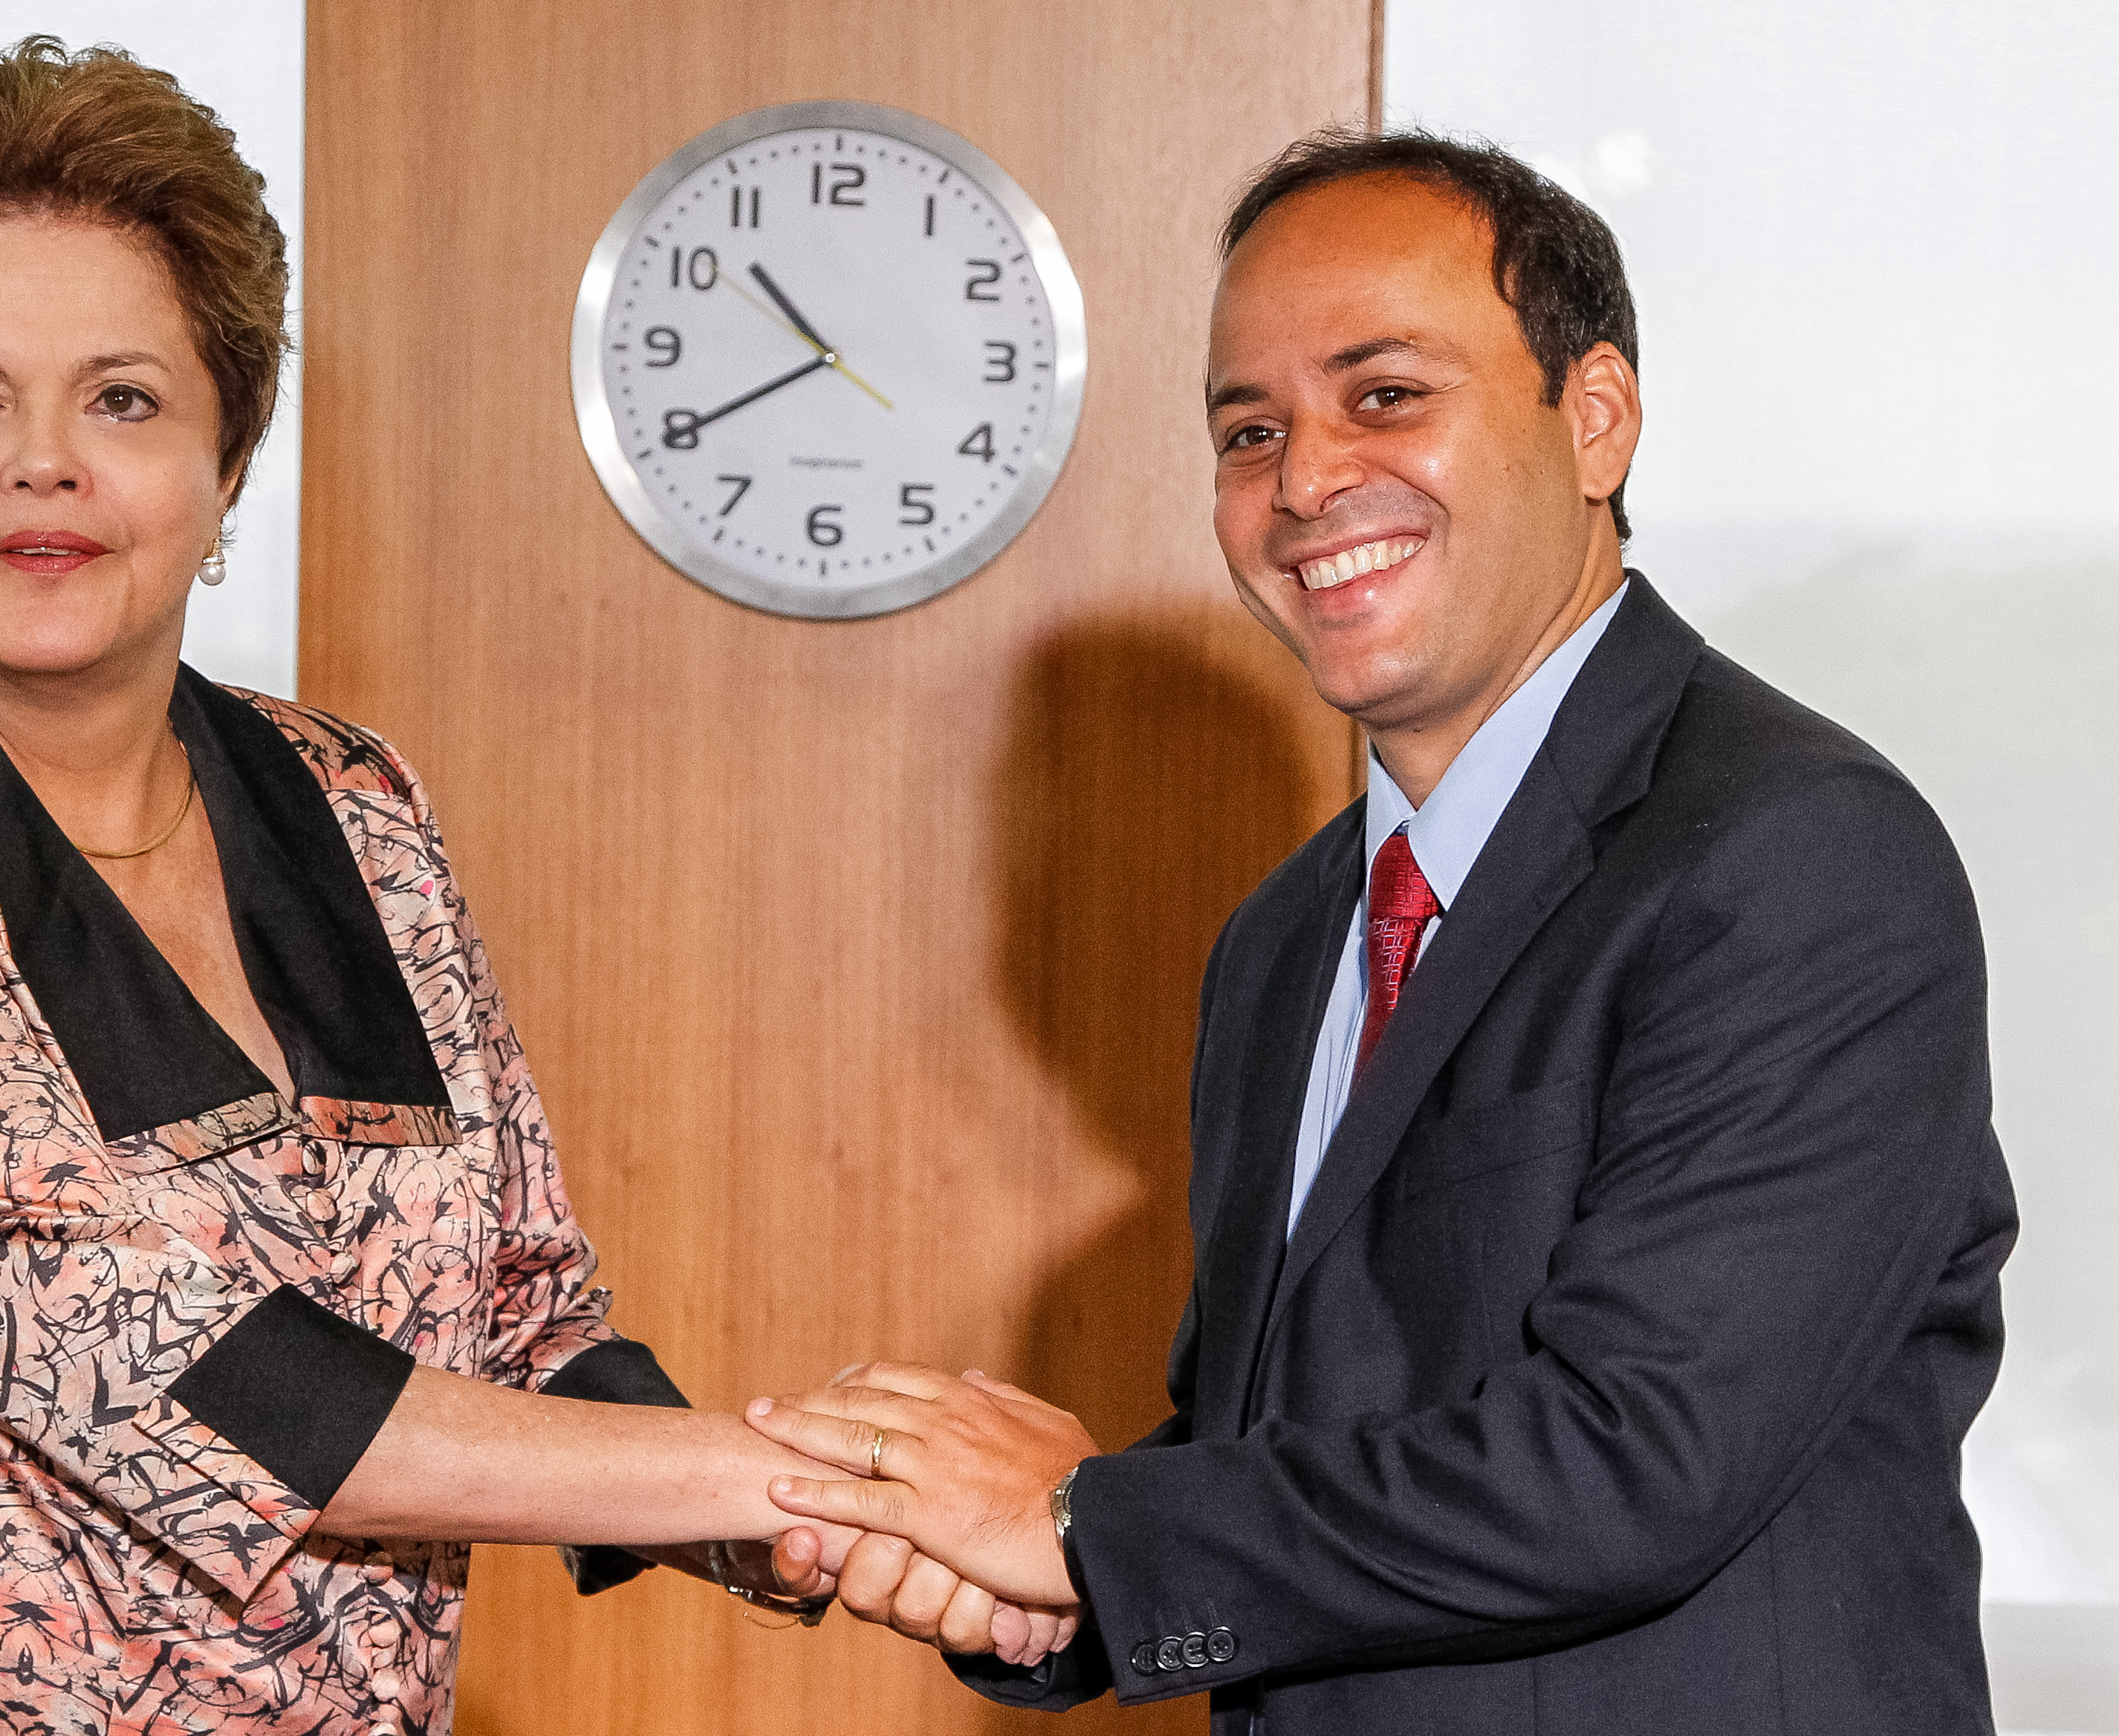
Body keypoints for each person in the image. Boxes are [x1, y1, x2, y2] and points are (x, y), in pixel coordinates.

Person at [0, 36, 1051, 1735]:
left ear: (228, 460)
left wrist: (766, 1533)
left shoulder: (355, 803)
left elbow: (524, 1309)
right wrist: (803, 1479)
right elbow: (193, 1378)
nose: (44, 462)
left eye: (122, 397)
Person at [748, 130, 2018, 1735]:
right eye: (1247, 428)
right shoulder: (1285, 937)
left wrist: (1081, 1524)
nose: (1302, 480)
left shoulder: (1796, 853)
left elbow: (1631, 1458)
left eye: (1385, 395)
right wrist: (1028, 1584)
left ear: (1597, 419)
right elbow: (1293, 1442)